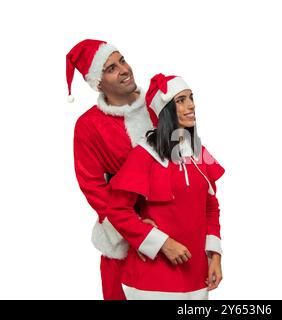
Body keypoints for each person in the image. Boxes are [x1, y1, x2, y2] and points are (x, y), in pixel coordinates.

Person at [105, 73, 224, 299]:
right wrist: (163, 243)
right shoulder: (144, 154)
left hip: (196, 277)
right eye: (180, 100)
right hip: (153, 280)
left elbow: (210, 207)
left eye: (191, 98)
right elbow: (117, 210)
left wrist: (215, 255)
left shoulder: (198, 152)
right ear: (165, 110)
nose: (191, 105)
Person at [66, 39, 155, 300]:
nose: (124, 69)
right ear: (98, 82)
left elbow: (186, 161)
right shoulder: (88, 126)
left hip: (172, 225)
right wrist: (137, 229)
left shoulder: (158, 104)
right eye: (110, 68)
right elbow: (93, 187)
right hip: (123, 235)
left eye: (122, 61)